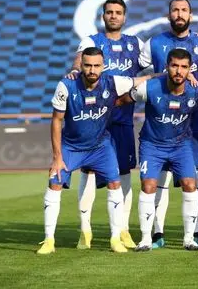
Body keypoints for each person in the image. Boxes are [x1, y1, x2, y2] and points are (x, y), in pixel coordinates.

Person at [37, 47, 153, 254]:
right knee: (54, 181)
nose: (92, 70)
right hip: (71, 147)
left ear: (103, 66)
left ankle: (115, 239)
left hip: (100, 146)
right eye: (88, 65)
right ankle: (49, 240)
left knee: (115, 184)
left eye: (96, 65)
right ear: (80, 65)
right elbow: (56, 120)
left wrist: (170, 74)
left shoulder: (113, 82)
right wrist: (57, 157)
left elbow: (143, 80)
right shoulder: (66, 86)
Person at [139, 0, 198, 249]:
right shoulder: (154, 43)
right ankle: (157, 233)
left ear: (190, 15)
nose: (179, 14)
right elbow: (139, 71)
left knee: (196, 175)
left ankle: (197, 232)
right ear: (169, 15)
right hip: (161, 120)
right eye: (175, 10)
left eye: (184, 10)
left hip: (192, 120)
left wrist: (194, 81)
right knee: (159, 178)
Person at [66, 0, 142, 250]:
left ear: (124, 16)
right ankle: (85, 230)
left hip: (122, 120)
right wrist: (75, 71)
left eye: (118, 12)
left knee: (124, 174)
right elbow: (79, 62)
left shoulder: (135, 44)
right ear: (103, 16)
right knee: (87, 173)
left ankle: (123, 230)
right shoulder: (92, 41)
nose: (113, 16)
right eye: (109, 12)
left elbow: (155, 67)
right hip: (94, 121)